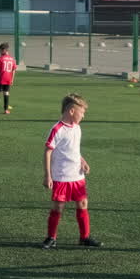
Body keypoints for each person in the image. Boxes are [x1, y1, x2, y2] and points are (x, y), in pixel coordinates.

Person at [41, 93, 101, 249]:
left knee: (82, 203)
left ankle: (84, 237)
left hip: (77, 175)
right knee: (58, 207)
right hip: (61, 176)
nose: (83, 116)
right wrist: (48, 175)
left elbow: (74, 149)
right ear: (72, 111)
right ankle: (51, 238)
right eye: (82, 112)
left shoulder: (77, 128)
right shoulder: (57, 129)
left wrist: (82, 161)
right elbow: (48, 151)